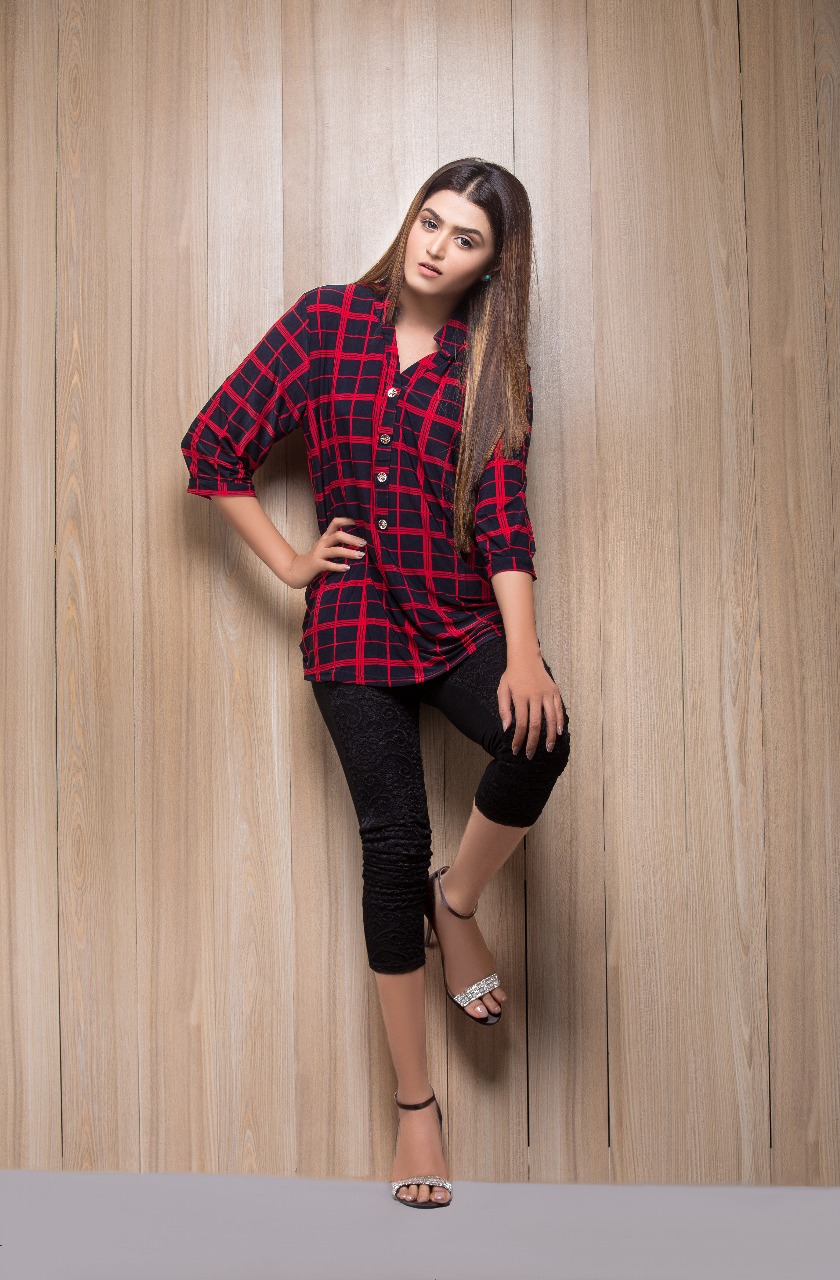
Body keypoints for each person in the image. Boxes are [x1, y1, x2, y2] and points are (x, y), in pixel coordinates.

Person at [180, 157, 571, 1208]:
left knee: (541, 734)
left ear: (493, 266)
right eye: (430, 222)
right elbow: (213, 447)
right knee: (390, 846)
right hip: (352, 625)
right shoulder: (326, 324)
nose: (436, 247)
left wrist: (523, 650)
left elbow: (504, 517)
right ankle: (415, 1107)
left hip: (454, 615)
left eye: (465, 239)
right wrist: (290, 562)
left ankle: (459, 898)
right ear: (410, 221)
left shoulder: (490, 368)